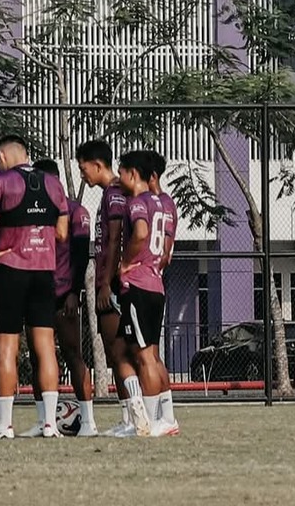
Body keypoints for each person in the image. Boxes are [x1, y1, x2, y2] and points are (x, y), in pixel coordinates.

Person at [0, 136, 69, 440]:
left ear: (1, 155)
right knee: (45, 347)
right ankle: (50, 424)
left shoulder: (1, 180)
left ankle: (5, 426)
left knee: (7, 347)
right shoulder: (53, 183)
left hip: (11, 271)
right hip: (44, 272)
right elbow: (63, 233)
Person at [23, 158, 97, 437]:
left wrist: (73, 294)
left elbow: (80, 256)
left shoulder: (76, 211)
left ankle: (88, 421)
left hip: (63, 293)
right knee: (37, 358)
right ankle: (44, 420)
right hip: (37, 293)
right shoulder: (34, 211)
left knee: (72, 354)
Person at [76, 139, 144, 436]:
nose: (82, 175)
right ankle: (129, 417)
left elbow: (115, 240)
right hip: (112, 282)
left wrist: (105, 284)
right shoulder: (110, 194)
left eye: (83, 168)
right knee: (119, 355)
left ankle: (135, 418)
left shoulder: (115, 194)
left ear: (98, 165)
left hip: (113, 286)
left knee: (120, 355)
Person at [116, 151, 179, 437]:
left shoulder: (137, 203)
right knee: (153, 355)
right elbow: (167, 251)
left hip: (138, 286)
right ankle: (168, 419)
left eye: (122, 172)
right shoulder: (166, 204)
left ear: (133, 174)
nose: (120, 178)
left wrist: (126, 263)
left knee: (143, 357)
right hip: (156, 283)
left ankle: (152, 423)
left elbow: (140, 232)